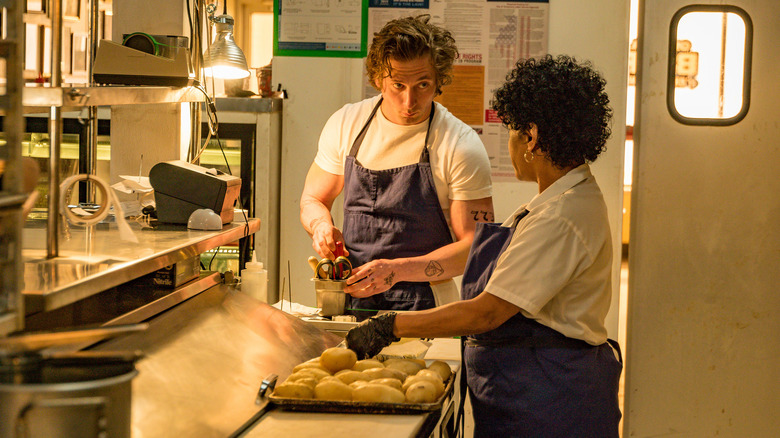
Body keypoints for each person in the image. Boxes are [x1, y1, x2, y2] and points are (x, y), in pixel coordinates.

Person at [346, 54, 623, 437]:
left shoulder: (559, 217)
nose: (508, 143)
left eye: (511, 130)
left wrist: (391, 326)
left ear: (533, 137)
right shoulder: (558, 201)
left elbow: (486, 313)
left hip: (549, 401)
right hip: (530, 392)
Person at [300, 15, 494, 317]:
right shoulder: (346, 124)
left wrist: (398, 270)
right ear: (378, 78)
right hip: (350, 300)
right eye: (398, 85)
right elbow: (313, 199)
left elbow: (474, 246)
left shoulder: (460, 144)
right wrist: (320, 226)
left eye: (423, 84)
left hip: (427, 308)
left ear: (439, 80)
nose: (409, 101)